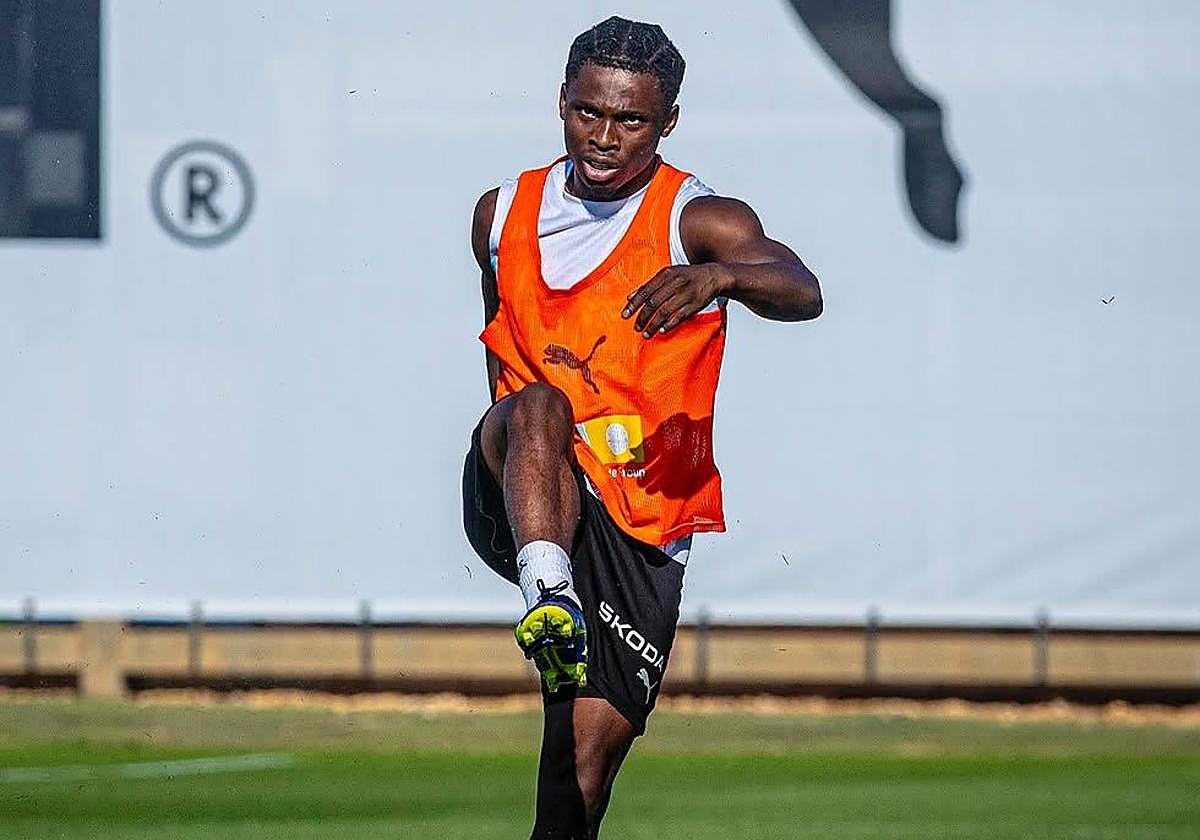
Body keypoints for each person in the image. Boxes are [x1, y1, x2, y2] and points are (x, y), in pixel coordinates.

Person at [461, 16, 822, 838]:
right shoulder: (500, 211)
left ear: (668, 123)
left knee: (580, 779)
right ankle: (547, 591)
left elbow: (803, 288)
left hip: (643, 515)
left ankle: (559, 620)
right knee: (539, 405)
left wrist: (720, 278)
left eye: (630, 120)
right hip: (528, 487)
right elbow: (499, 344)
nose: (604, 137)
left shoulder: (697, 218)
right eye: (589, 112)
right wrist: (517, 458)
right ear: (561, 101)